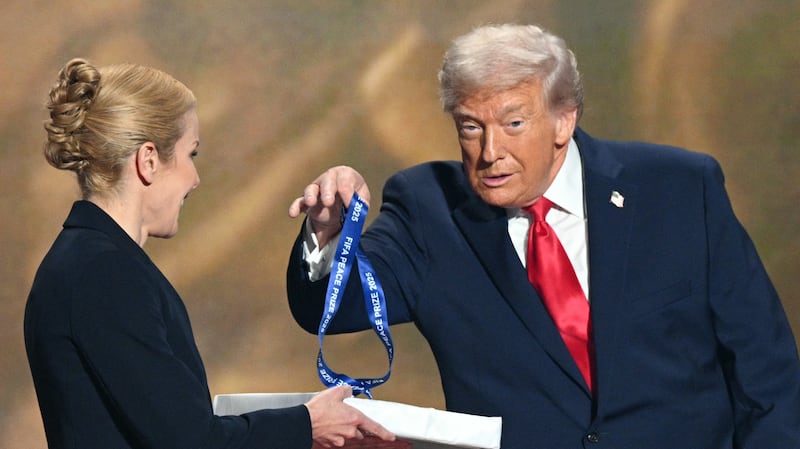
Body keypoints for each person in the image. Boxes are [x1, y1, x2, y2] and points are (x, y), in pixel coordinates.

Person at [285, 24, 800, 449]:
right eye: (470, 127)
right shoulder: (428, 209)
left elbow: (767, 371)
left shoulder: (679, 189)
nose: (489, 152)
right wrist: (329, 234)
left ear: (563, 120)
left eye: (512, 123)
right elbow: (334, 306)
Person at [24, 58, 394, 449]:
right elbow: (190, 440)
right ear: (148, 160)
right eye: (191, 155)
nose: (195, 179)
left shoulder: (87, 261)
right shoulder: (105, 274)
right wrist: (307, 424)